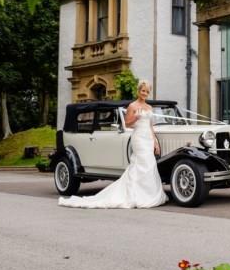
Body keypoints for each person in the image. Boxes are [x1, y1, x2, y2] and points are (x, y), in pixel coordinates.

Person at [58, 80, 168, 208]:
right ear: (139, 91)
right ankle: (135, 194)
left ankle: (148, 193)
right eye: (143, 90)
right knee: (140, 163)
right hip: (138, 138)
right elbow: (127, 124)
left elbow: (150, 126)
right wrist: (136, 118)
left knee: (149, 164)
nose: (145, 93)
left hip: (148, 138)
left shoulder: (149, 108)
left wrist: (155, 141)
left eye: (147, 91)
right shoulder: (132, 106)